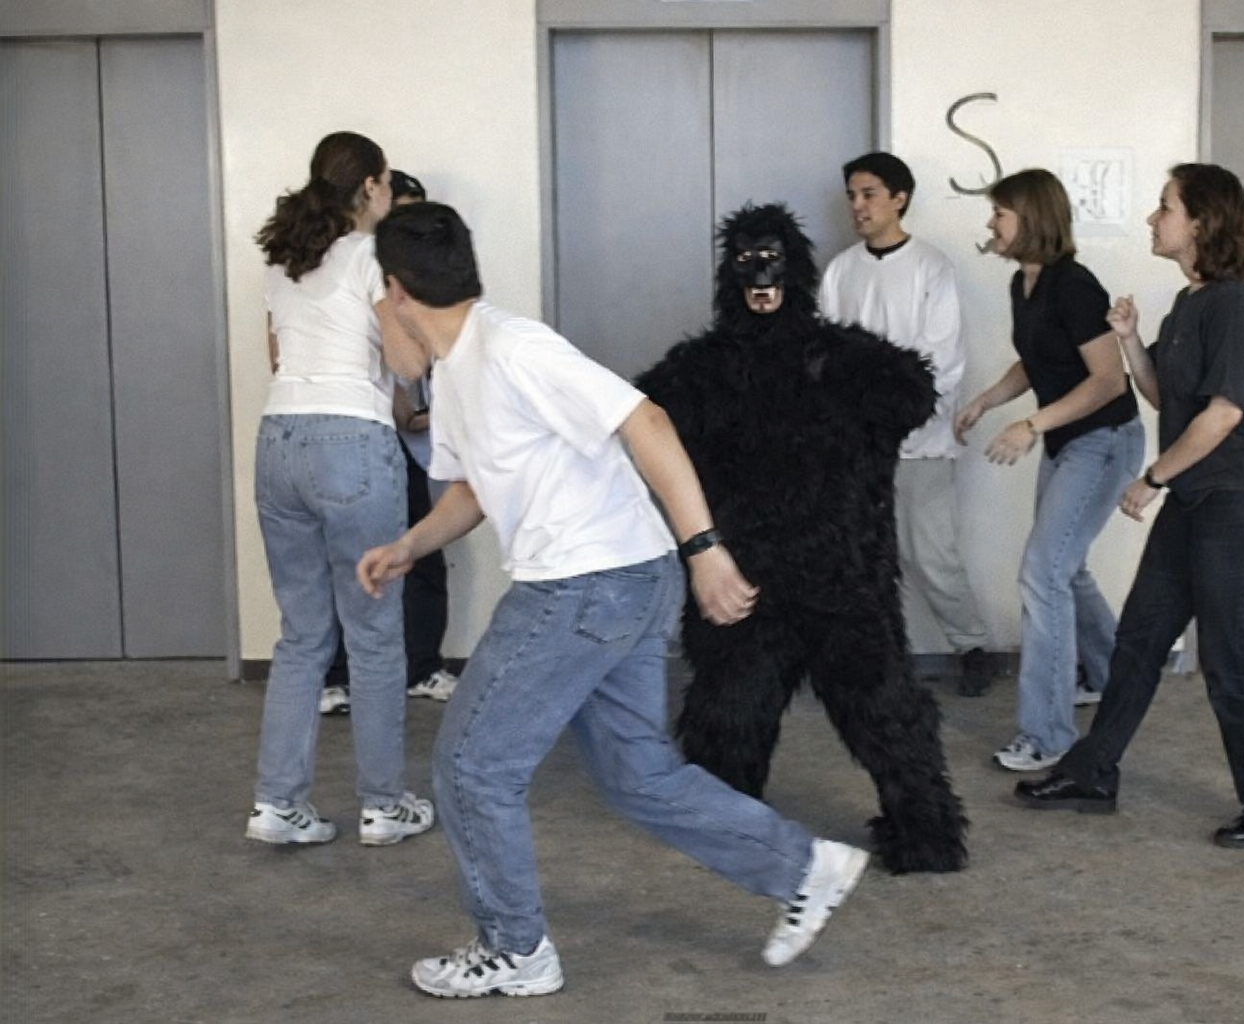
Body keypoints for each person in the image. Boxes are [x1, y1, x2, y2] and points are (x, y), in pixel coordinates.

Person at [358, 202, 869, 999]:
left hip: (584, 586)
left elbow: (648, 420)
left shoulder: (514, 348)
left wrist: (707, 551)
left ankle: (515, 949)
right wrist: (411, 544)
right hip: (620, 580)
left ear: (394, 290)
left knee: (469, 767)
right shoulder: (457, 368)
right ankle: (802, 865)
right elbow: (475, 488)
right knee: (638, 777)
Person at [637, 203, 968, 874]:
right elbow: (640, 423)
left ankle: (925, 833)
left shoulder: (844, 361)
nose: (761, 275)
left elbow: (913, 394)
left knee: (880, 708)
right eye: (746, 262)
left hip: (837, 575)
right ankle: (722, 829)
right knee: (729, 714)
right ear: (731, 275)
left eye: (773, 260)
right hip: (744, 578)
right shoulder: (701, 371)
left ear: (797, 270)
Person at [1015, 163, 1244, 850]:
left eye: (1165, 207)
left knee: (1230, 652)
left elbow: (1223, 415)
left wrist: (1151, 477)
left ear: (1202, 222)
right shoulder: (1189, 305)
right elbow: (1161, 397)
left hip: (1241, 498)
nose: (1155, 219)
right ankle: (1092, 770)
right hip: (1199, 495)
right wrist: (1127, 338)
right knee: (1141, 638)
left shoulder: (1235, 305)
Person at [247, 131, 434, 847]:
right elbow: (404, 360)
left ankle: (277, 803)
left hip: (279, 442)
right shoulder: (370, 257)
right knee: (375, 633)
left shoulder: (282, 261)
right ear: (369, 190)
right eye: (385, 184)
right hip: (351, 447)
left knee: (302, 634)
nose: (388, 195)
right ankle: (385, 805)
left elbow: (279, 358)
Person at [953, 169, 1144, 773]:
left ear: (1031, 219)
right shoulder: (1024, 284)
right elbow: (1038, 360)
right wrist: (988, 400)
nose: (991, 225)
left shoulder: (1075, 285)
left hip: (1105, 441)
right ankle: (1117, 676)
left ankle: (1048, 737)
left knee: (1043, 574)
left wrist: (1031, 426)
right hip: (1070, 440)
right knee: (1064, 568)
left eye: (1000, 214)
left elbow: (1109, 380)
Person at [818, 152, 994, 697]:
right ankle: (864, 656)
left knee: (928, 554)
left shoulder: (930, 267)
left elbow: (942, 360)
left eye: (869, 193)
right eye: (851, 195)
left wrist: (895, 416)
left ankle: (973, 646)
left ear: (900, 198)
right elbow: (824, 354)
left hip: (920, 442)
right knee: (854, 551)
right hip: (854, 445)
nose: (857, 206)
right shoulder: (841, 270)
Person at [319, 168, 457, 716]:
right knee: (353, 558)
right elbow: (391, 358)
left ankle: (420, 666)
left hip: (419, 437)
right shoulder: (358, 267)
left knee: (424, 550)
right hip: (370, 431)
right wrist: (403, 408)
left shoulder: (418, 273)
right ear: (374, 198)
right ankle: (340, 676)